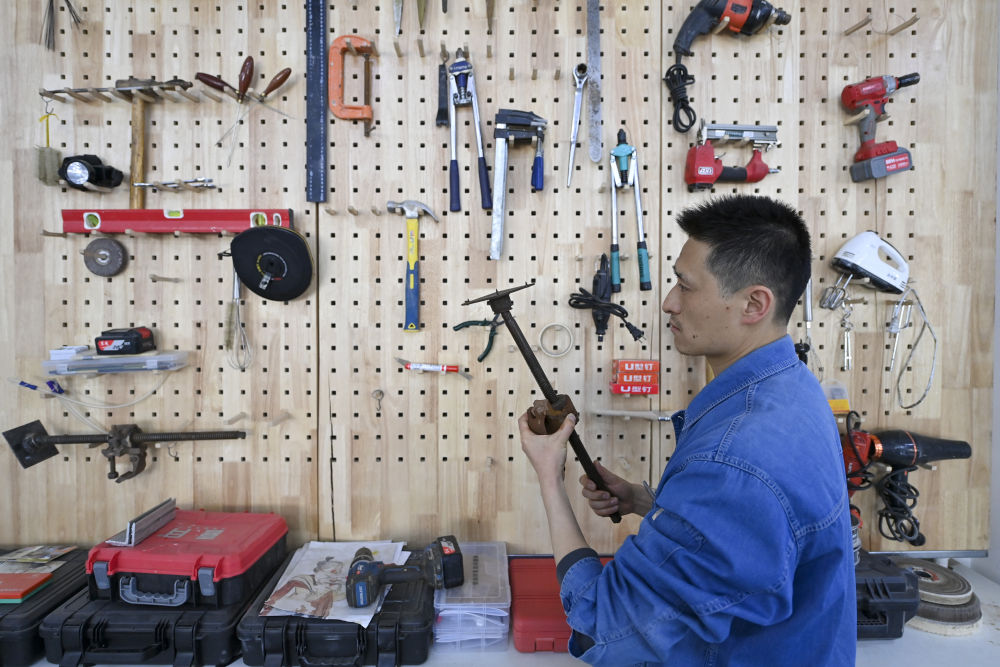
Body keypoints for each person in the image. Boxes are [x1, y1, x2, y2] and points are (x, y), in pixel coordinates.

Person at [518, 195, 856, 666]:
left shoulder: (734, 461)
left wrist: (549, 477)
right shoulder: (792, 389)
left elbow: (603, 629)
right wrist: (648, 503)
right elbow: (756, 544)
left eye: (686, 286)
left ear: (754, 304)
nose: (669, 303)